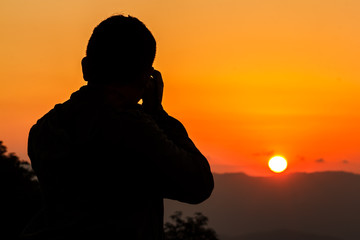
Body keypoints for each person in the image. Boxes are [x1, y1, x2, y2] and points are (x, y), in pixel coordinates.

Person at [24, 15, 214, 239]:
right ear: (145, 79)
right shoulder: (135, 130)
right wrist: (159, 114)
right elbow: (199, 184)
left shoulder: (45, 129)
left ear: (85, 67)